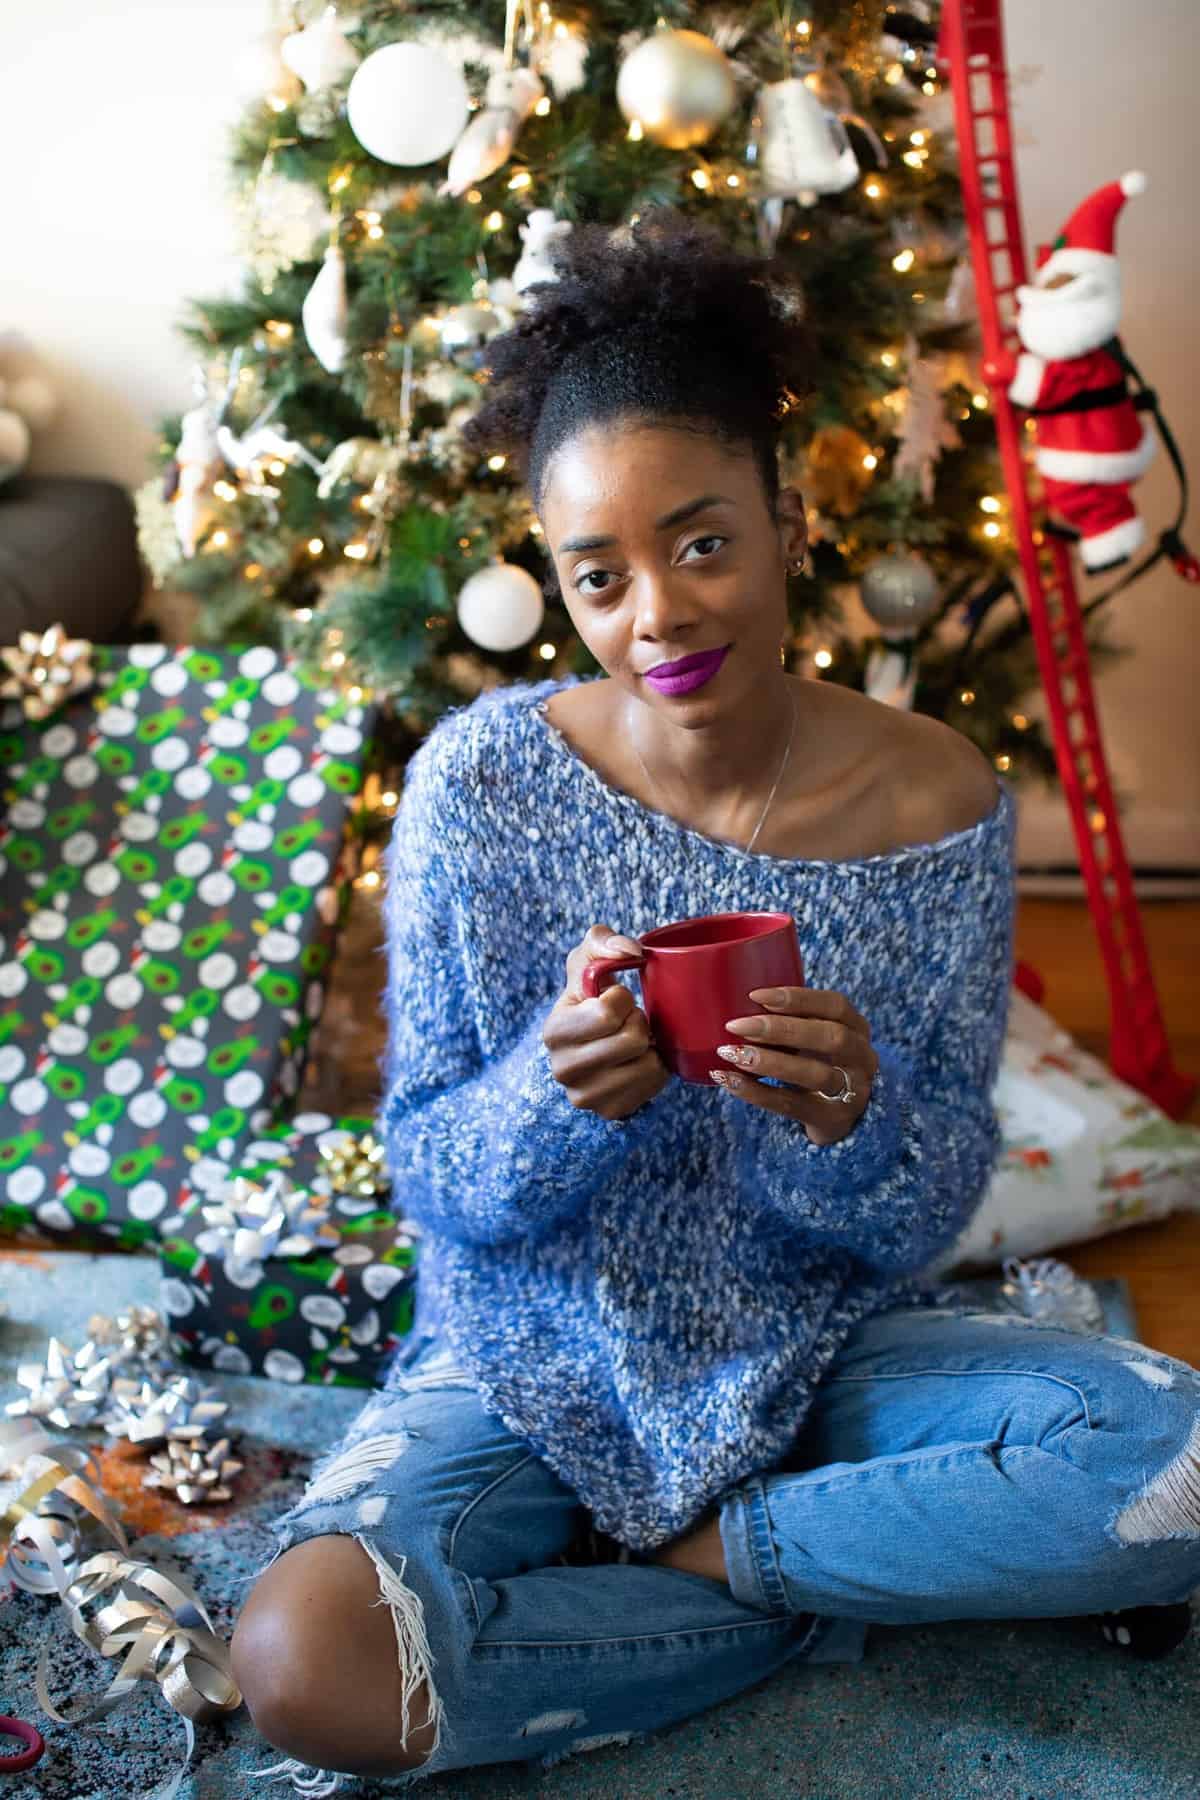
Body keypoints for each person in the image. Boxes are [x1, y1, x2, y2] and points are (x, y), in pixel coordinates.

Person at [231, 212, 1200, 1792]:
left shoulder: (937, 799)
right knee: (304, 1661)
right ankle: (828, 1588)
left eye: (700, 543)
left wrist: (839, 1124)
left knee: (1184, 1473)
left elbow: (919, 1213)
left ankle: (702, 1567)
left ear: (790, 514)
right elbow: (435, 1172)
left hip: (821, 1350)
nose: (658, 618)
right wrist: (556, 1102)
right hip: (531, 1358)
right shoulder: (484, 788)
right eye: (596, 575)